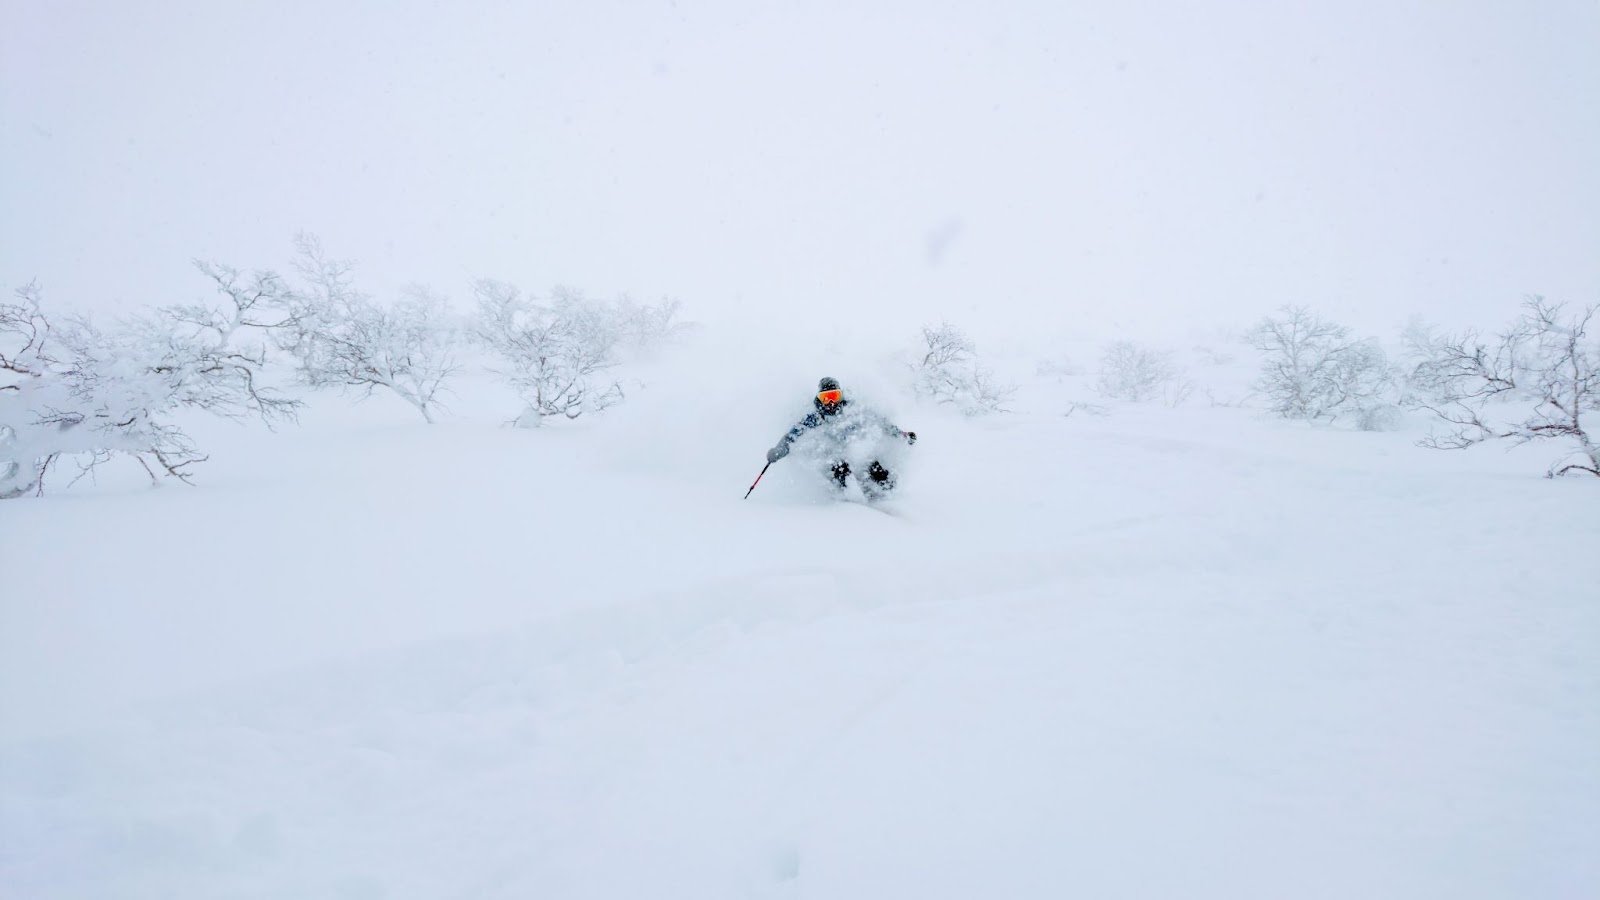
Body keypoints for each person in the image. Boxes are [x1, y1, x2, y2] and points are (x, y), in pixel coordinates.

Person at [765, 377, 916, 498]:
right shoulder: (816, 417)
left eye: (834, 396)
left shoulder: (853, 409)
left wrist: (901, 435)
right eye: (825, 398)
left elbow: (881, 422)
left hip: (858, 452)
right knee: (840, 468)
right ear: (819, 399)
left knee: (874, 469)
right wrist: (778, 451)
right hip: (836, 455)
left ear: (841, 396)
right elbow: (792, 436)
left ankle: (889, 497)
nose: (830, 402)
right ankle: (849, 500)